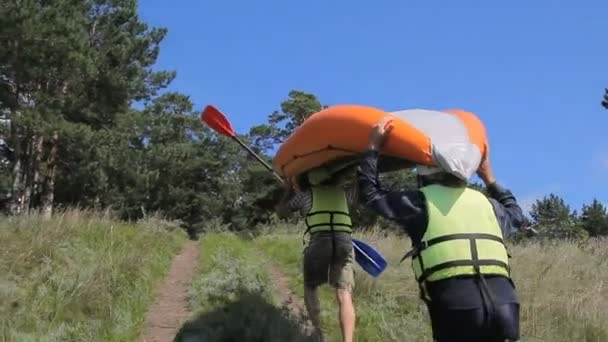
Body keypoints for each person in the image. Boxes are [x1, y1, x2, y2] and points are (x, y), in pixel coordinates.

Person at [356, 117, 529, 342]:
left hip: (457, 307)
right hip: (506, 306)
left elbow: (370, 194)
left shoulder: (420, 202)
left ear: (424, 174)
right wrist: (489, 178)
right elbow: (516, 214)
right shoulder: (488, 204)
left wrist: (372, 148)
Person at [275, 163, 358, 342]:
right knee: (344, 294)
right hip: (345, 242)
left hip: (320, 240)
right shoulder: (343, 193)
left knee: (311, 287)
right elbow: (356, 189)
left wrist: (288, 189)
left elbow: (282, 212)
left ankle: (318, 334)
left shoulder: (306, 195)